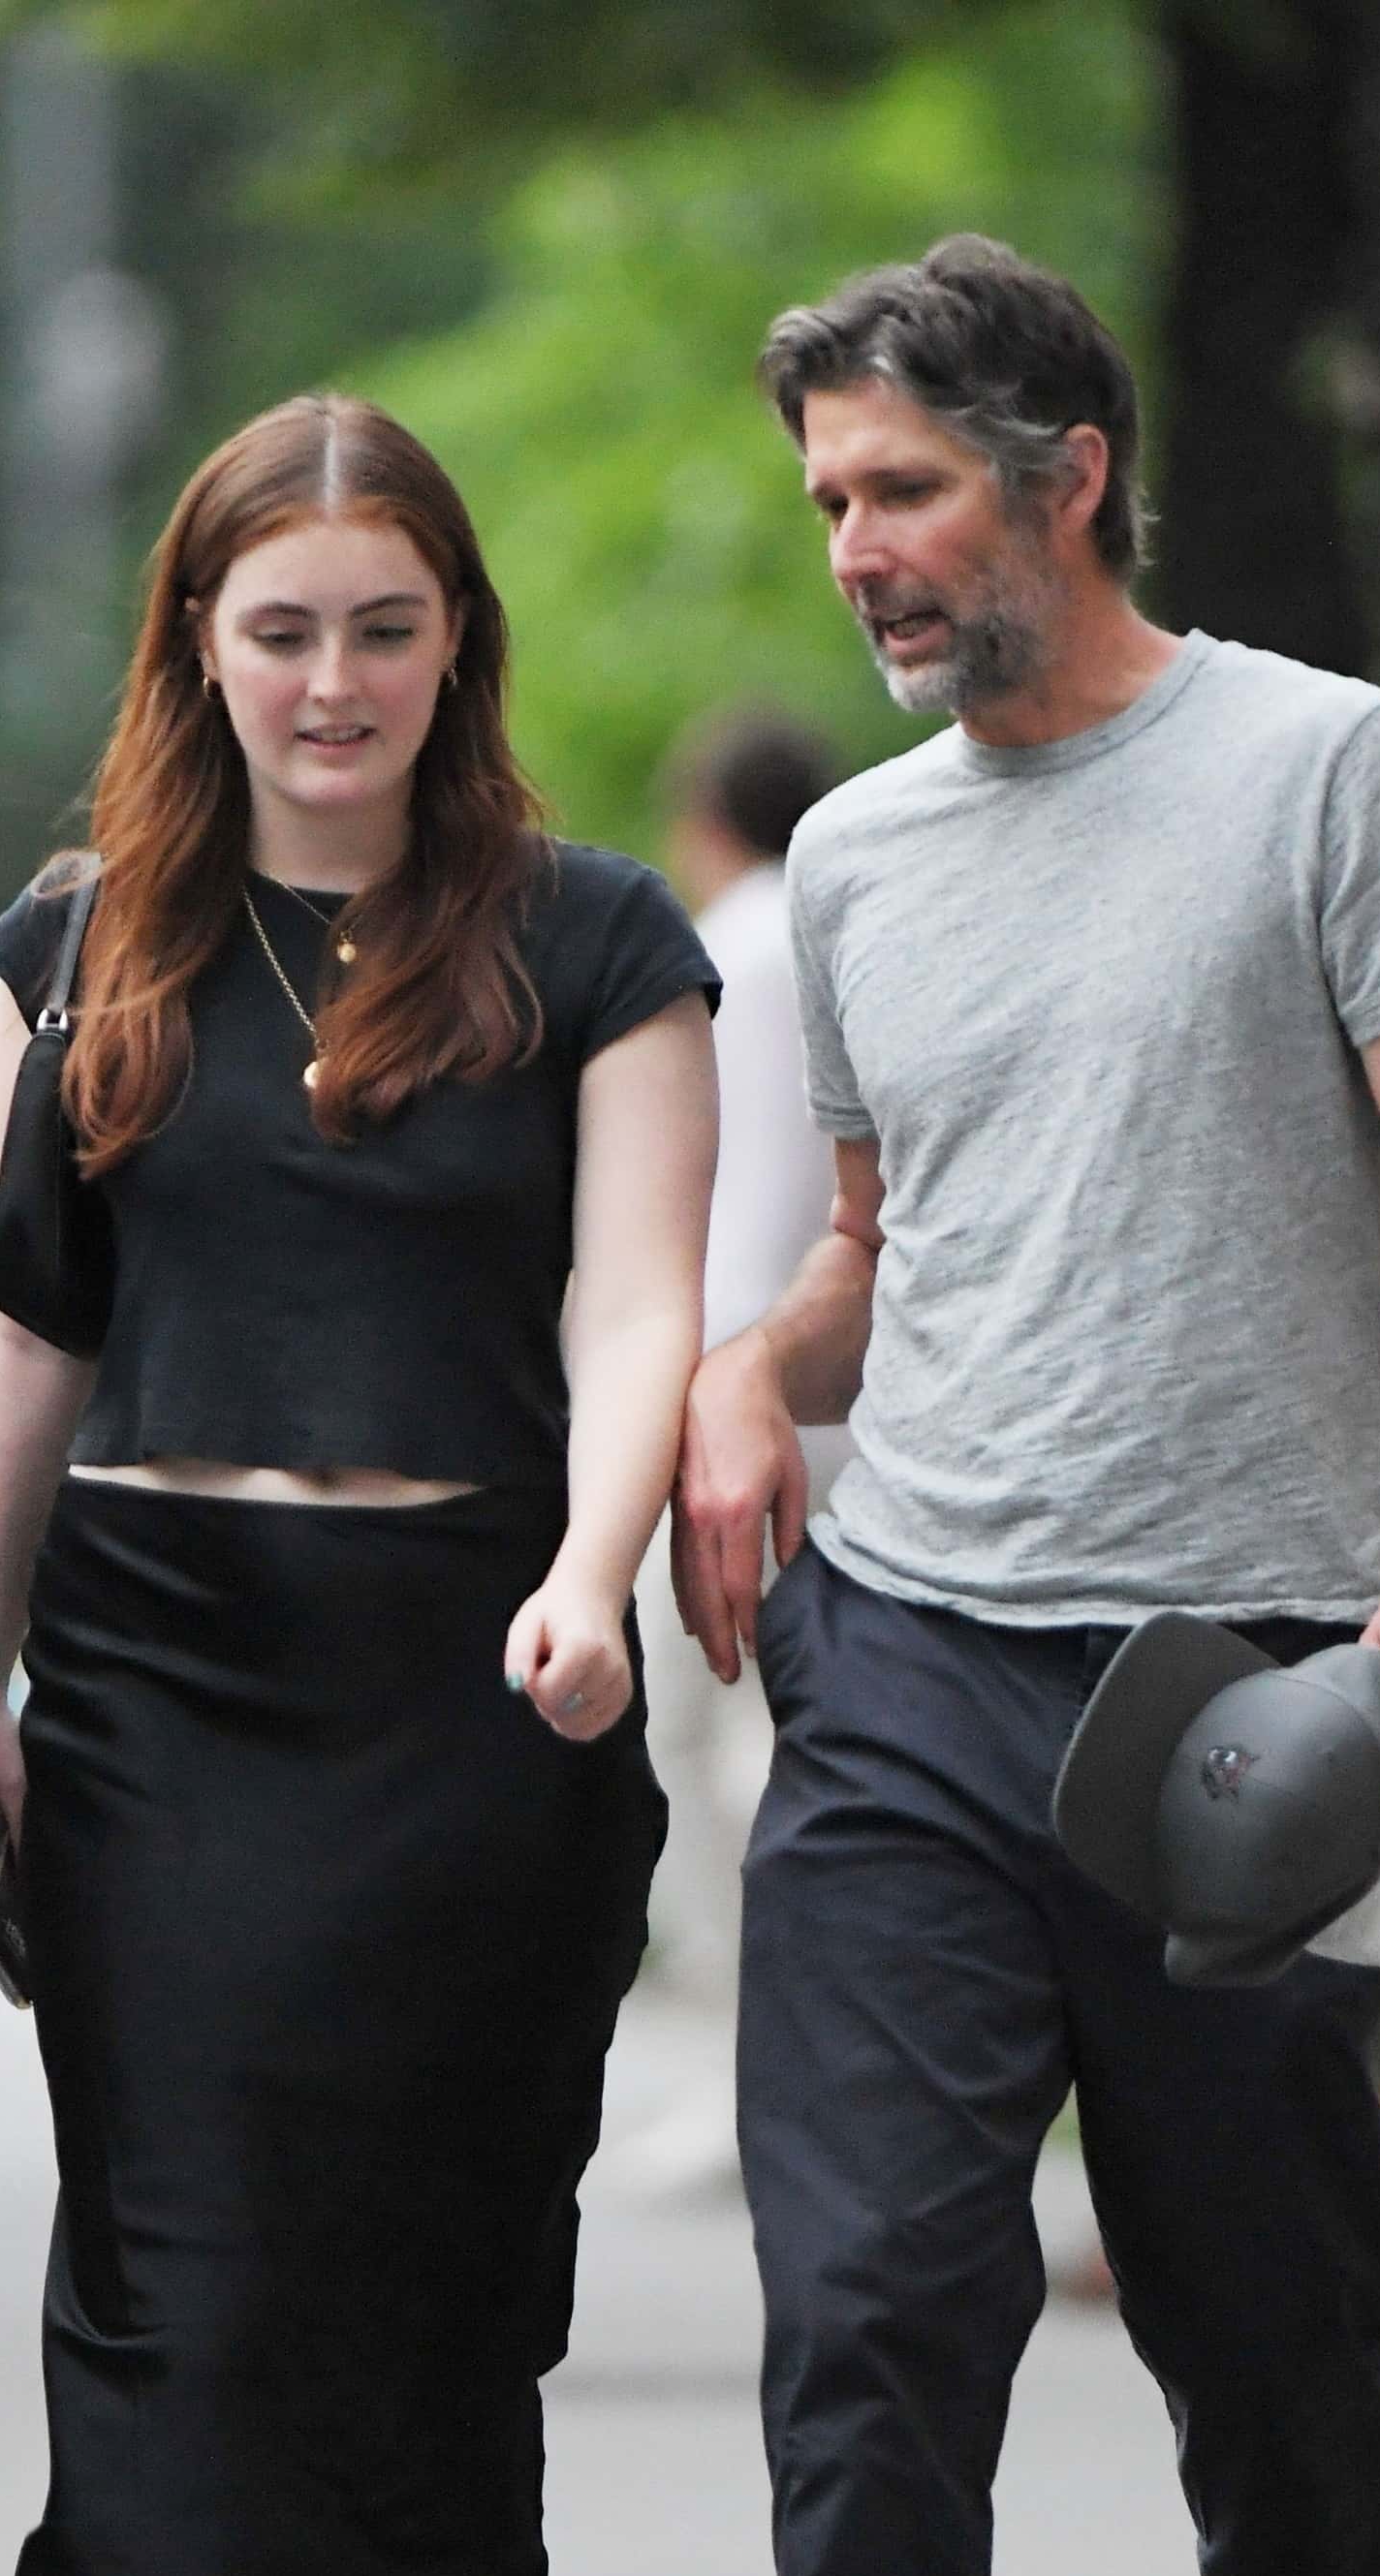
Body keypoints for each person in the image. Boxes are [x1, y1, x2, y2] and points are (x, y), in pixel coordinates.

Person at [670, 237, 1380, 2576]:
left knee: (1271, 2333)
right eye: (826, 506)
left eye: (897, 490)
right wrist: (729, 1388)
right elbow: (872, 1256)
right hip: (908, 1665)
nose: (857, 556)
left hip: (1238, 1690)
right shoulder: (862, 866)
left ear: (1062, 466)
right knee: (867, 2324)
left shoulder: (1323, 768)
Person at [0, 394, 719, 2576]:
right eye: (277, 628)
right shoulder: (88, 950)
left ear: (450, 644)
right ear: (199, 648)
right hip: (151, 1684)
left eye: (381, 626)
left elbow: (639, 1304)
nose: (329, 681)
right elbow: (32, 1328)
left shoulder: (596, 946)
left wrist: (594, 1568)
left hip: (468, 1689)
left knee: (424, 2306)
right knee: (159, 2293)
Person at [636, 706, 840, 2038]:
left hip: (731, 1385)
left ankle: (755, 2039)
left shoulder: (735, 952)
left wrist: (693, 1382)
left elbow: (739, 1199)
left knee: (704, 1732)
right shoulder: (827, 926)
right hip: (826, 1381)